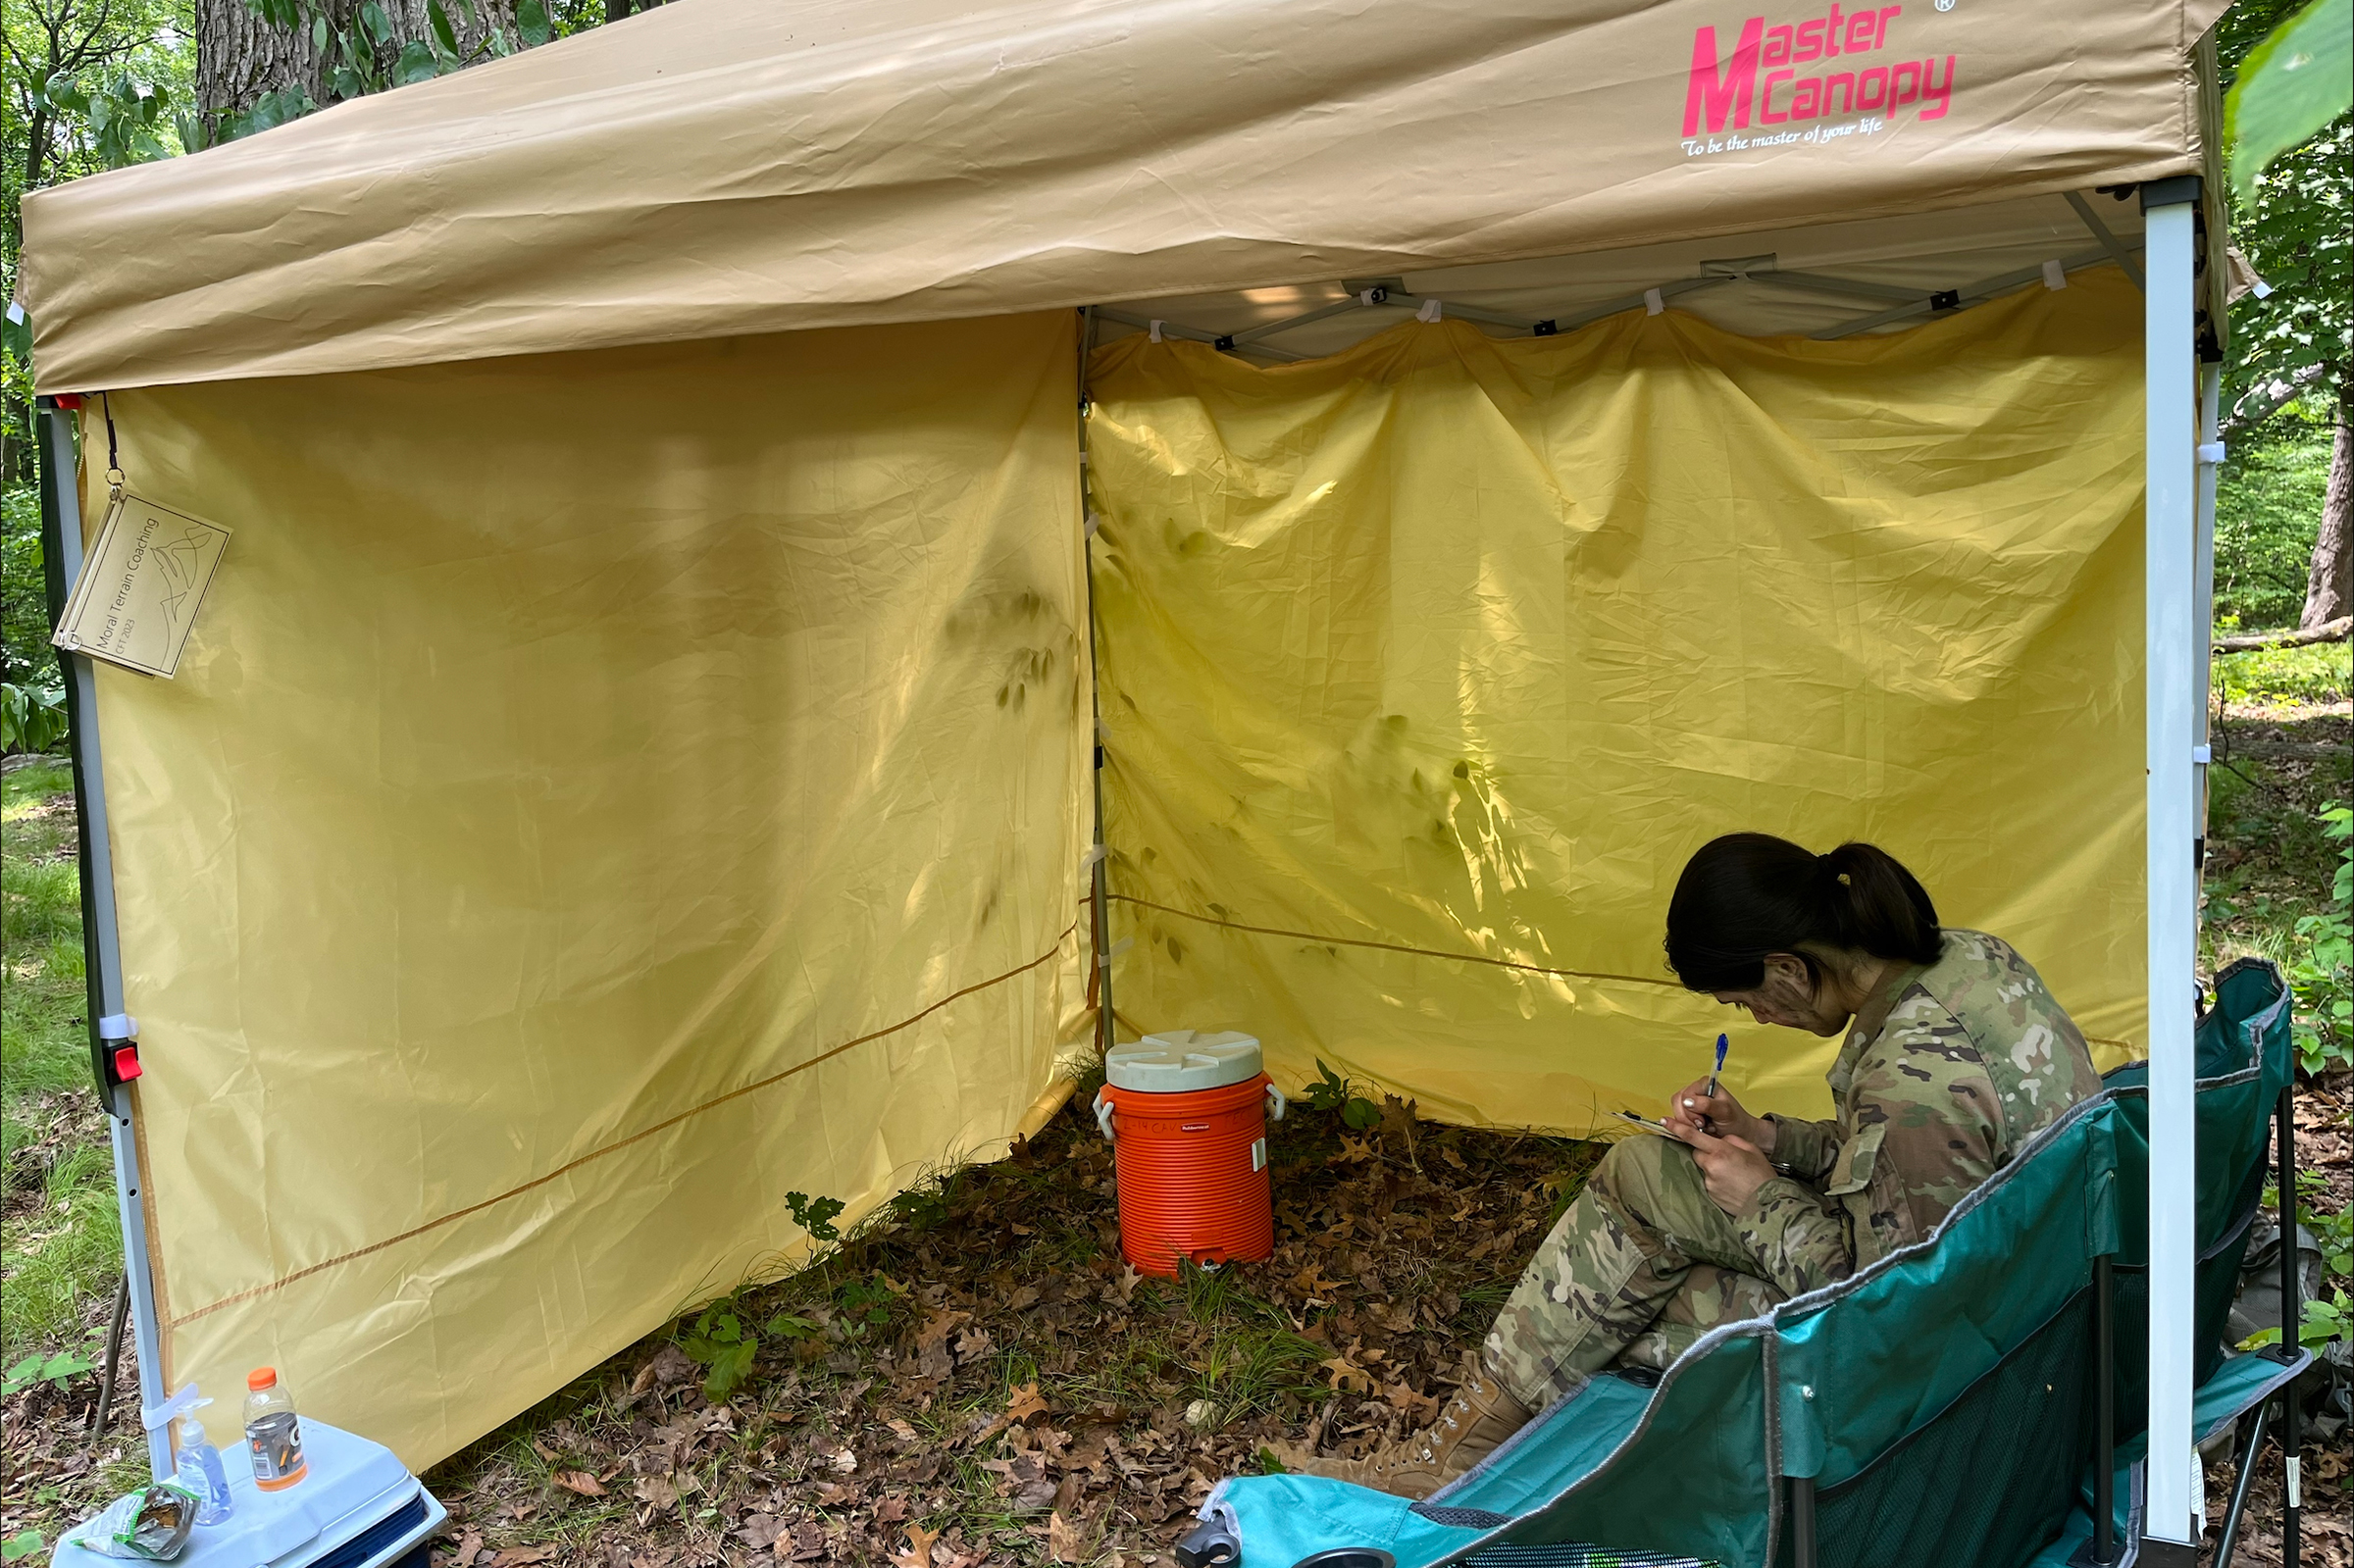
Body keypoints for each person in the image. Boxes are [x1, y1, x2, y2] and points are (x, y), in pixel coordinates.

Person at [1279, 833, 2104, 1498]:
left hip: (1982, 1364)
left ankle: (1452, 1458)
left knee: (1634, 1293)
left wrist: (1761, 1199)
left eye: (1747, 1002)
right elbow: (1901, 1170)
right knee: (1640, 1191)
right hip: (2044, 1292)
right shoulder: (1964, 961)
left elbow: (1881, 1310)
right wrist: (1772, 1138)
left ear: (1788, 966)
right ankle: (1465, 1450)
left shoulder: (1908, 1081)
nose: (1759, 1018)